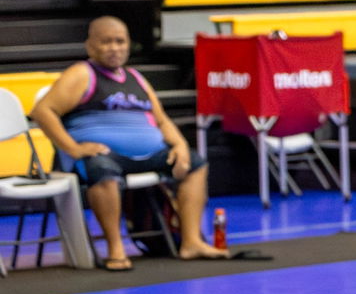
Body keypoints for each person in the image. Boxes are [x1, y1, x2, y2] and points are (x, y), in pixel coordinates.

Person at [29, 16, 227, 270]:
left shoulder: (137, 78)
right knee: (102, 169)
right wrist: (74, 148)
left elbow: (162, 120)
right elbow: (43, 111)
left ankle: (190, 242)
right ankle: (116, 248)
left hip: (148, 153)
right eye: (106, 42)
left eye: (120, 41)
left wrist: (178, 146)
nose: (114, 47)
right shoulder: (82, 74)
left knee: (195, 163)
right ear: (90, 46)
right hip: (105, 156)